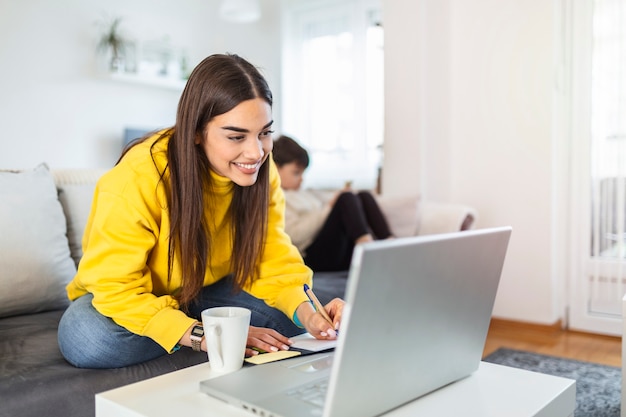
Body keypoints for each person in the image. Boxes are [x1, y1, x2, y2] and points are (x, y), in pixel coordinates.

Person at [57, 54, 344, 369]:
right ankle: (203, 331)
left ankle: (203, 329)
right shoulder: (137, 178)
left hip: (206, 291)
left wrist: (311, 313)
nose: (256, 152)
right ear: (195, 132)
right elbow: (114, 287)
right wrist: (202, 334)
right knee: (88, 339)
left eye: (265, 133)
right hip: (127, 298)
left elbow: (271, 254)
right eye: (236, 136)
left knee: (292, 321)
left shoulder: (263, 172)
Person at [272, 135, 393, 272]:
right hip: (313, 257)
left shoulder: (304, 193)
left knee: (362, 195)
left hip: (334, 250)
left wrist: (340, 198)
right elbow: (296, 236)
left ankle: (391, 244)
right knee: (345, 198)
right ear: (276, 168)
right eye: (296, 173)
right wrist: (329, 207)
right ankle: (368, 251)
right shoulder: (275, 199)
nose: (301, 179)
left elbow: (331, 202)